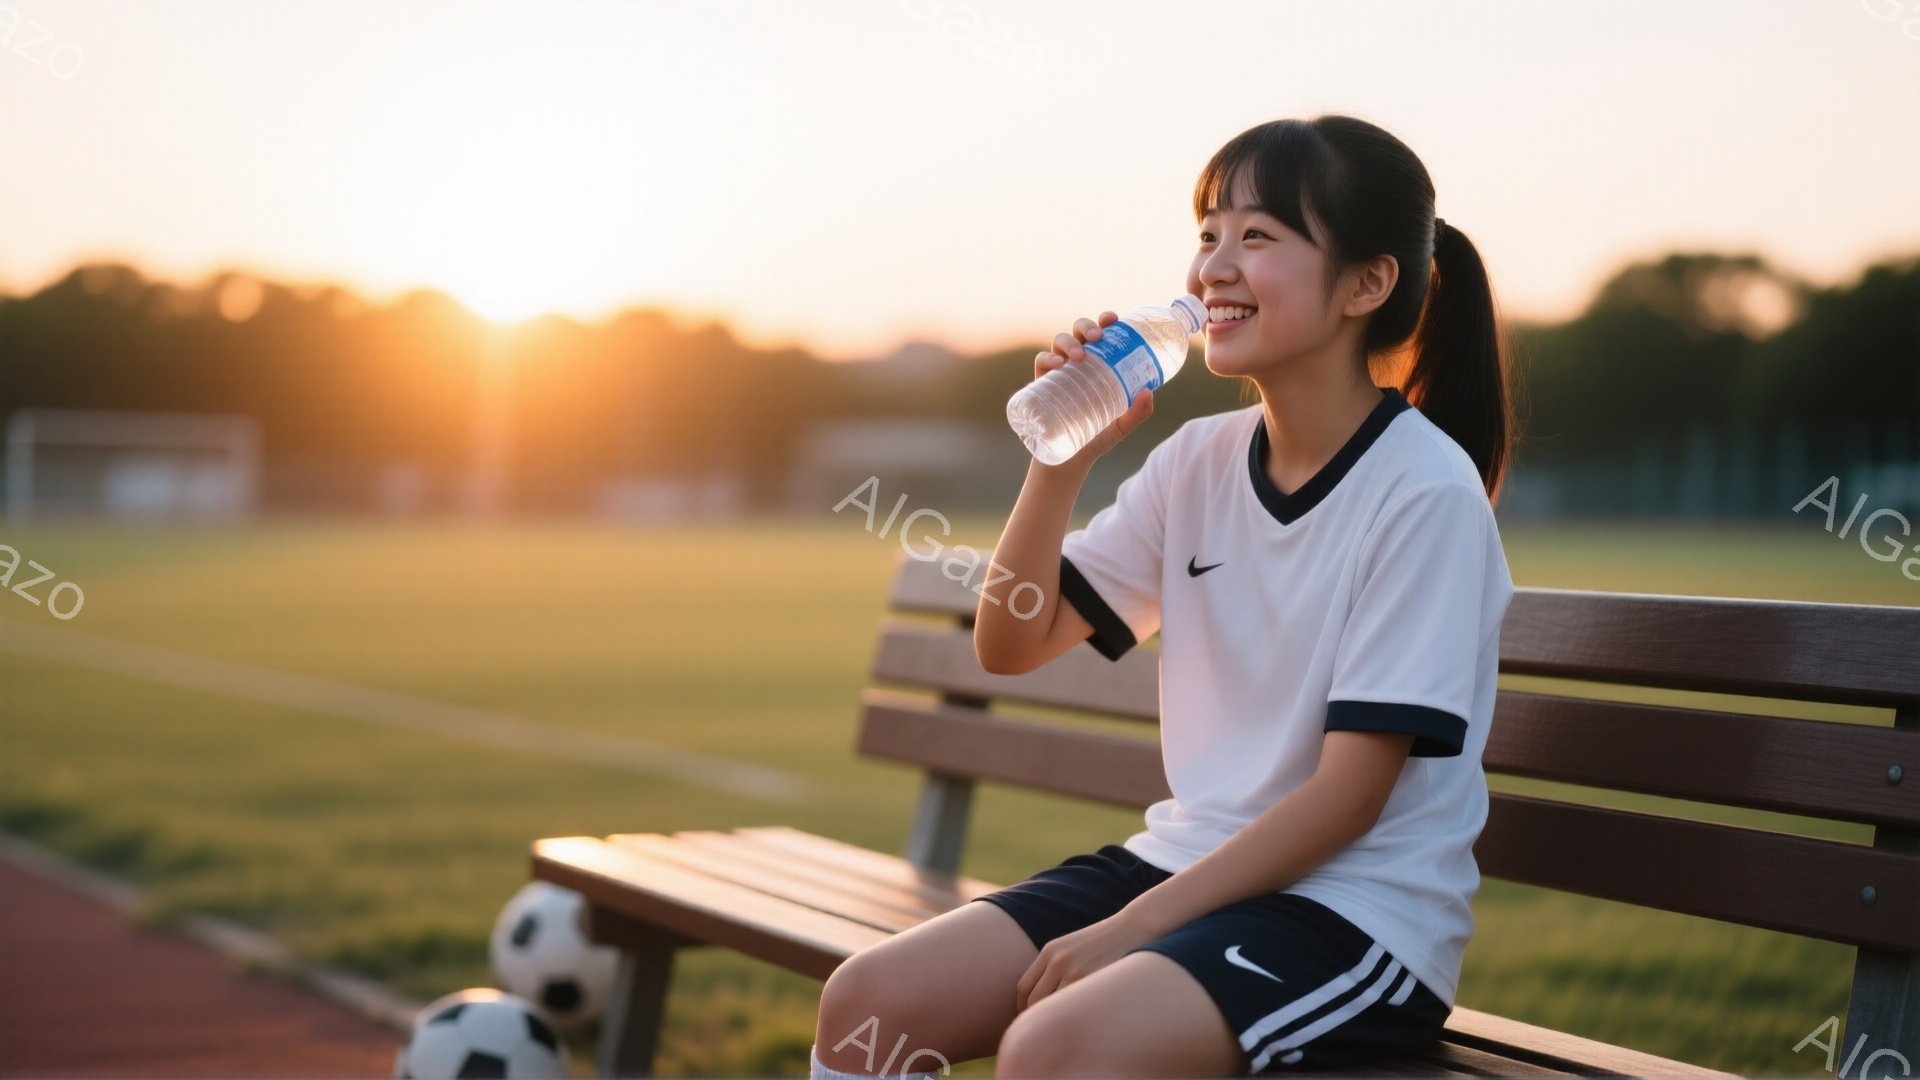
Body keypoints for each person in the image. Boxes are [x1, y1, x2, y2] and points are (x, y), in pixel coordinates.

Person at [811, 114, 1518, 1078]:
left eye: (1258, 237)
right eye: (1208, 234)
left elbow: (1350, 798)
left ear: (1368, 282)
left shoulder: (1423, 492)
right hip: (1188, 864)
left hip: (1355, 914)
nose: (1213, 269)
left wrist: (1131, 932)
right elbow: (1010, 642)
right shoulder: (1197, 462)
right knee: (869, 1005)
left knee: (1055, 1050)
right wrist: (1063, 456)